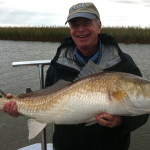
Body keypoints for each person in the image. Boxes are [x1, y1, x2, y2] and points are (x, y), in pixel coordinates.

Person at [3, 2, 149, 150]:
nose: (80, 30)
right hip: (66, 145)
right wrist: (18, 107)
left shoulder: (123, 63)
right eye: (74, 25)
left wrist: (120, 122)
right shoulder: (58, 64)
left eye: (86, 23)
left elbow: (142, 114)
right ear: (70, 29)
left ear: (99, 26)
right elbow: (43, 101)